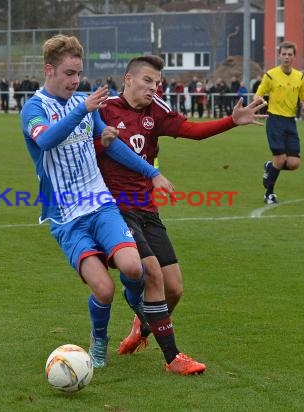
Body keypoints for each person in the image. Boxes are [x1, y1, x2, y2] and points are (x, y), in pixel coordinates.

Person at [97, 55, 267, 374]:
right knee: (153, 274)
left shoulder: (156, 110)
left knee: (174, 288)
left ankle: (143, 326)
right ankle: (173, 358)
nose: (154, 87)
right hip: (113, 208)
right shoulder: (104, 109)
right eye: (147, 80)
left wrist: (232, 120)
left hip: (146, 207)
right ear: (128, 79)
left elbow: (192, 130)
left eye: (157, 82)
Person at [20, 34, 176, 371]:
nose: (75, 80)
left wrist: (151, 172)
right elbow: (46, 140)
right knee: (103, 289)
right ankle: (100, 339)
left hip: (100, 204)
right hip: (66, 216)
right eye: (68, 73)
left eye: (78, 73)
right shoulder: (35, 108)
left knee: (134, 267)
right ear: (50, 70)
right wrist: (82, 110)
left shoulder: (82, 102)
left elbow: (113, 144)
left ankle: (135, 303)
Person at [254, 41, 304, 204]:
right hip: (275, 121)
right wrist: (258, 100)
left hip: (290, 122)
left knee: (294, 163)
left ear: (294, 56)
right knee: (280, 159)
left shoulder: (299, 76)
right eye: (284, 54)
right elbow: (259, 94)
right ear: (279, 55)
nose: (286, 57)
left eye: (289, 54)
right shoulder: (270, 75)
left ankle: (269, 167)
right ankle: (269, 194)